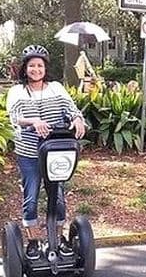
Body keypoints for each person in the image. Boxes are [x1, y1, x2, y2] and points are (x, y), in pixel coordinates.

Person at [6, 45, 87, 259]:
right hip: (30, 153)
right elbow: (15, 117)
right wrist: (33, 121)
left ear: (45, 68)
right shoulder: (17, 91)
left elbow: (71, 109)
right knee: (31, 197)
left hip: (55, 152)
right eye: (32, 65)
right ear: (25, 69)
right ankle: (33, 241)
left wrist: (78, 119)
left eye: (40, 65)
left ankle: (57, 239)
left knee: (57, 198)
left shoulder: (56, 88)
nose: (36, 69)